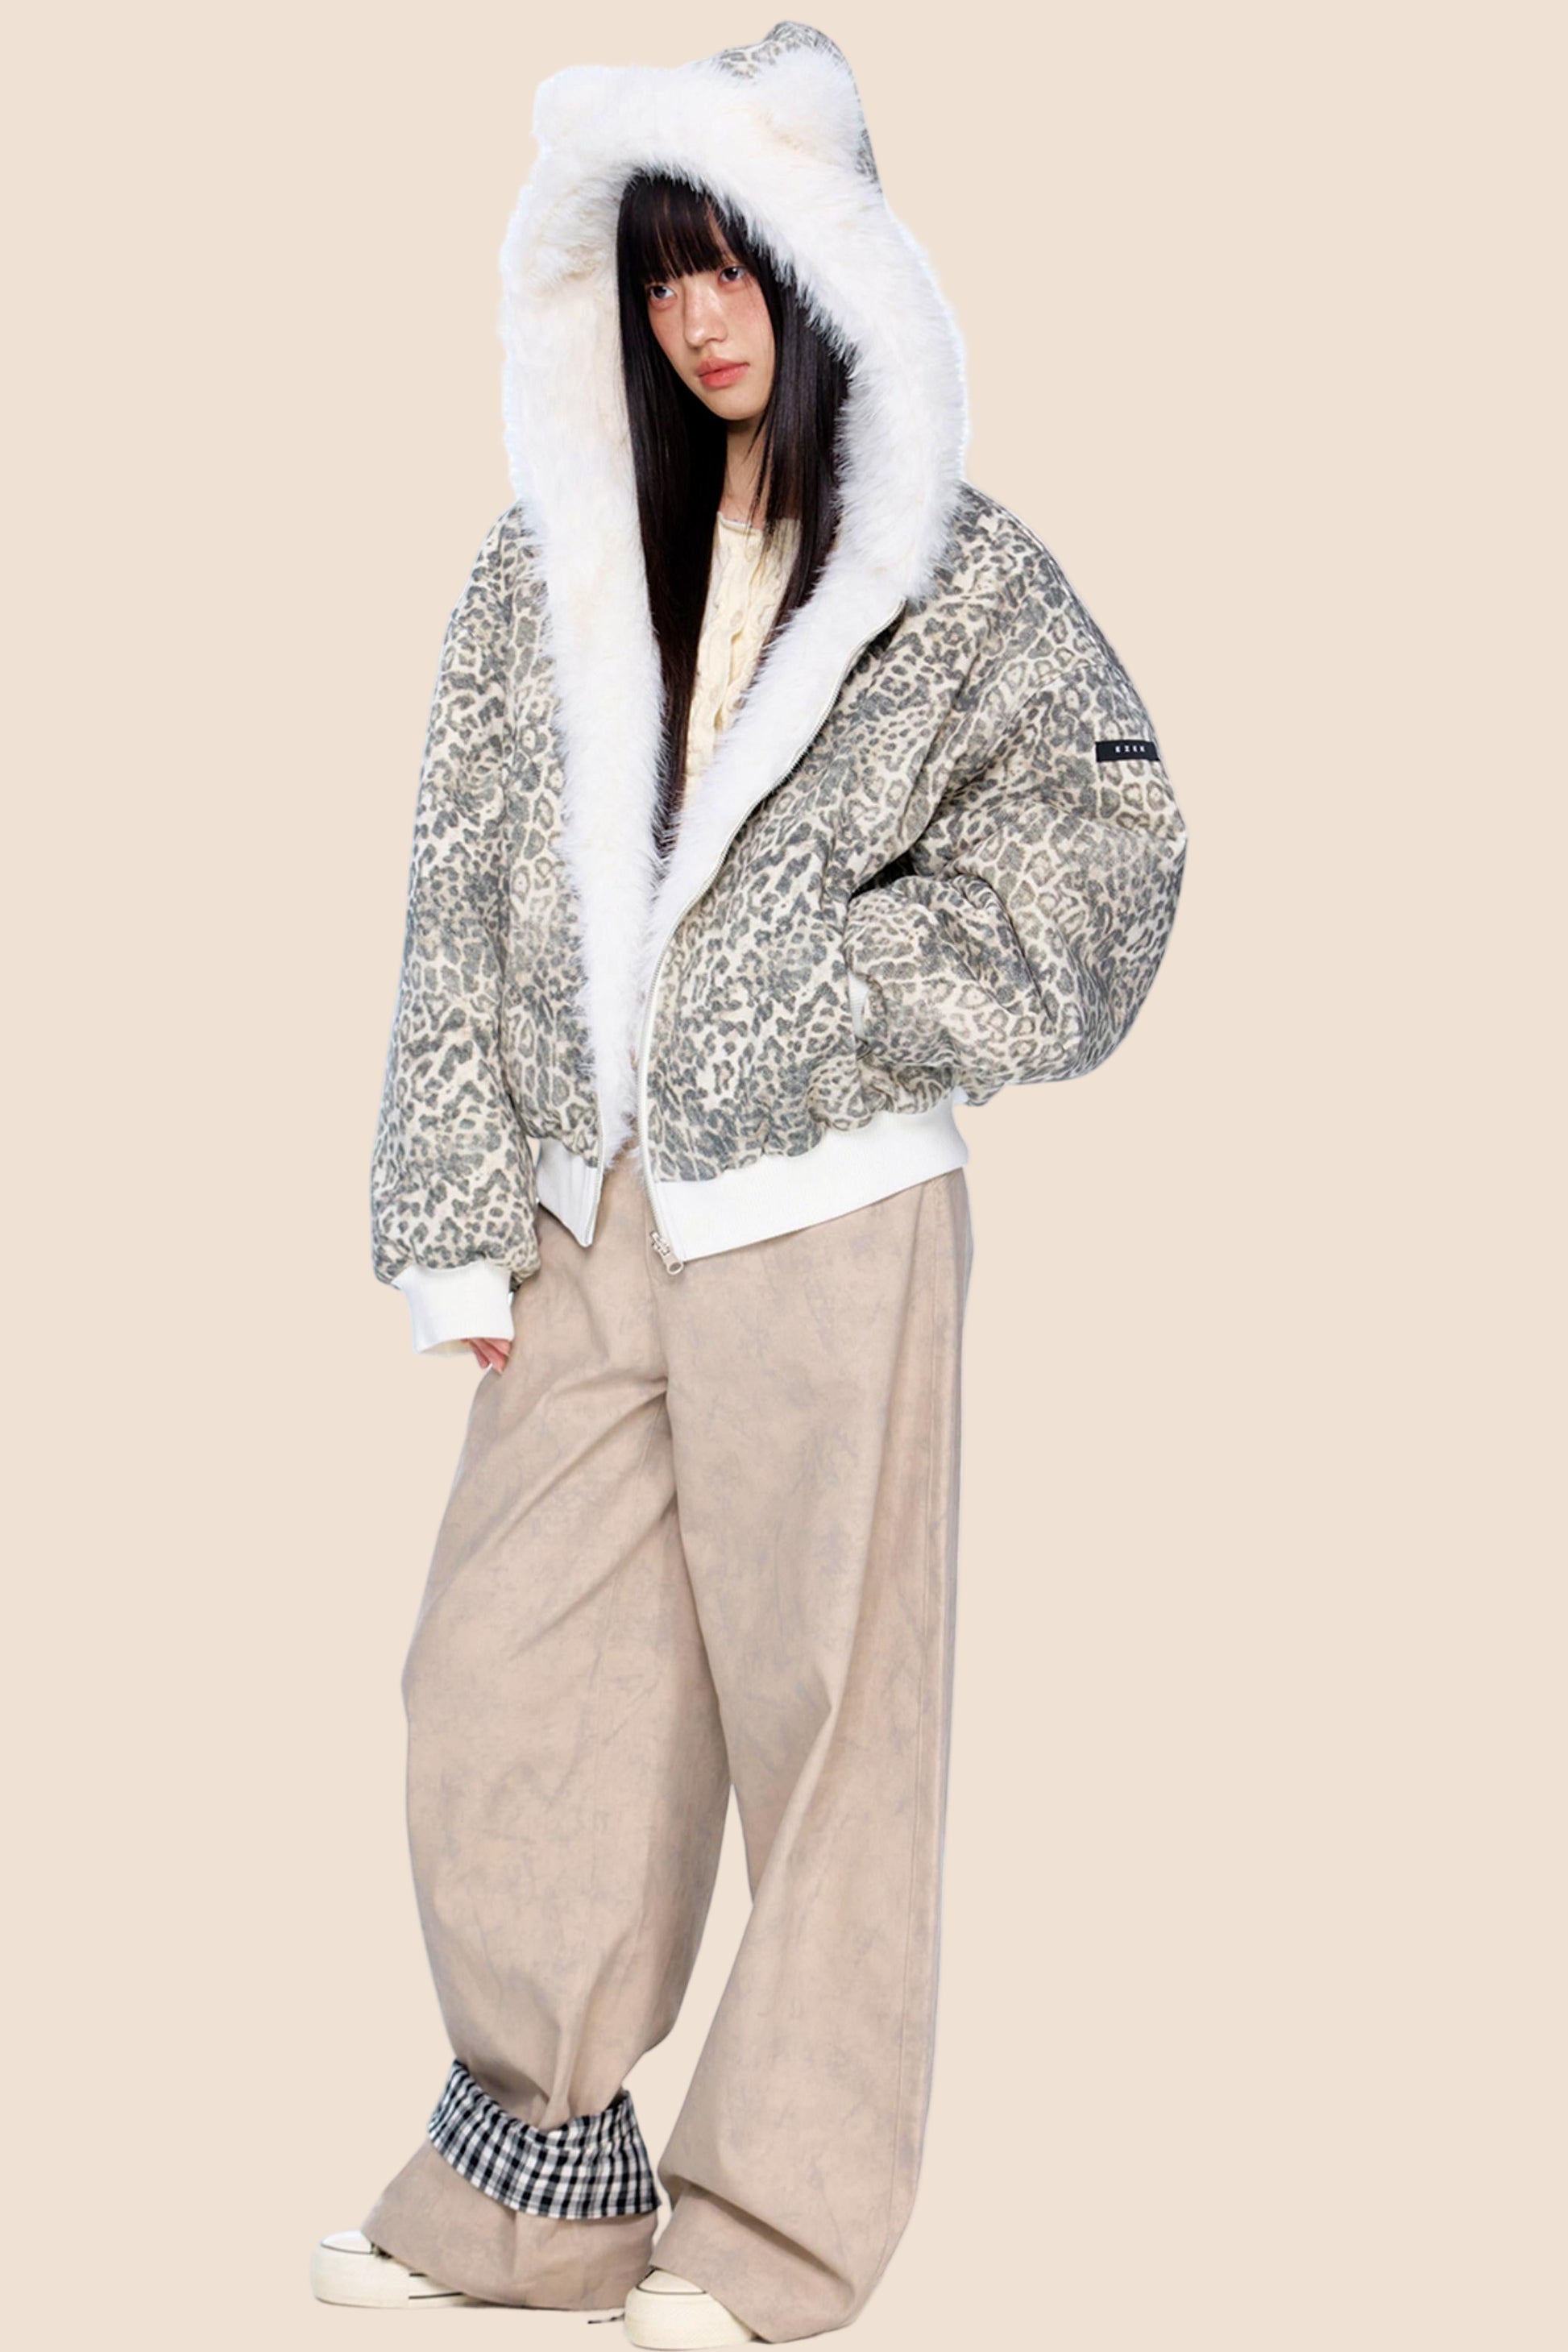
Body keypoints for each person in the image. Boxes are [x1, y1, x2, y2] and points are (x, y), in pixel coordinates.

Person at [311, 21, 1188, 2349]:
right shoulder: (543, 564)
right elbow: (456, 894)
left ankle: (775, 2234)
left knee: (835, 1728)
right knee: (497, 1682)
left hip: (829, 1213)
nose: (701, 317)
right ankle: (540, 2187)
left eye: (739, 264)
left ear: (832, 271)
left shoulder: (957, 580)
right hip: (592, 1210)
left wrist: (844, 987)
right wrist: (450, 1219)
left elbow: (1111, 848)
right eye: (661, 270)